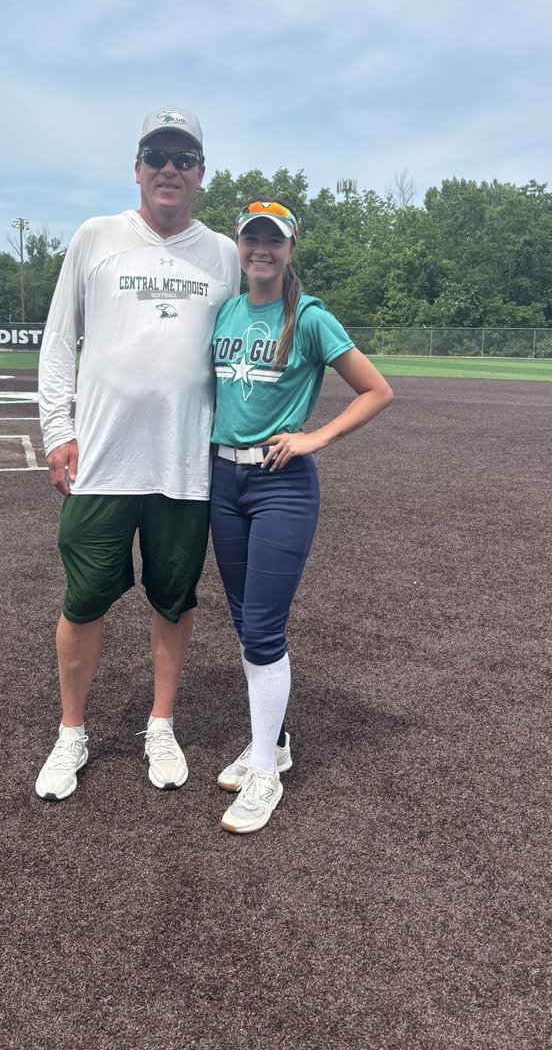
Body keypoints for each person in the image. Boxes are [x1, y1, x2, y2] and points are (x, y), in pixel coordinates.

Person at [35, 109, 240, 801]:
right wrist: (55, 431)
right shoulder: (96, 238)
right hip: (102, 458)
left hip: (185, 463)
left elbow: (242, 347)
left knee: (173, 600)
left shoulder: (224, 254)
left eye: (184, 158)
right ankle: (71, 732)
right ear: (136, 166)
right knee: (85, 598)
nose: (170, 168)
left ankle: (161, 722)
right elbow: (60, 341)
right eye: (157, 154)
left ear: (201, 173)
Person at [209, 199, 393, 833]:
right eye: (251, 239)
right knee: (241, 620)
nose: (261, 249)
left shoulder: (310, 317)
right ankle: (276, 743)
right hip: (221, 480)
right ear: (240, 245)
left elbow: (377, 389)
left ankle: (265, 773)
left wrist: (314, 438)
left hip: (279, 483)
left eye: (273, 241)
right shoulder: (226, 310)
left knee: (262, 628)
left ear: (289, 249)